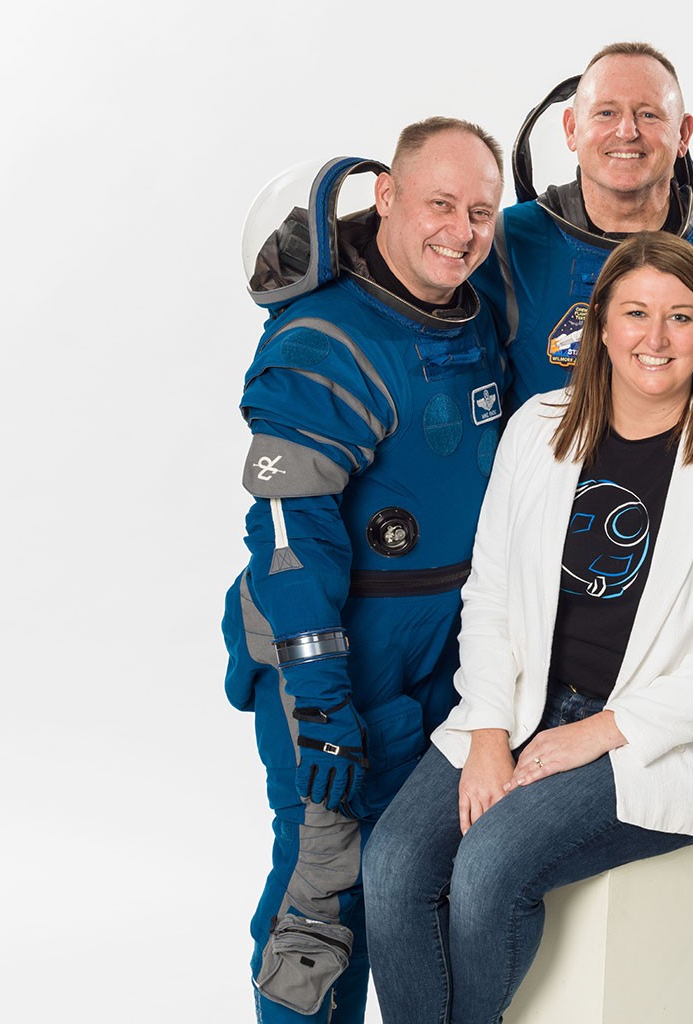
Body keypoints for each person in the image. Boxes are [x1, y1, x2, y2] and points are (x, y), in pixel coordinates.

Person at [361, 232, 693, 1024]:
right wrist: (491, 728)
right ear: (600, 325)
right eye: (635, 313)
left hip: (651, 742)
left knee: (489, 869)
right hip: (521, 705)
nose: (655, 339)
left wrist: (601, 730)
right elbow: (489, 591)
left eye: (681, 317)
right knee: (392, 865)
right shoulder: (538, 427)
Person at [220, 117, 506, 1024]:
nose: (459, 230)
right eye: (439, 204)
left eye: (481, 211)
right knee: (324, 892)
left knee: (409, 889)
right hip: (338, 657)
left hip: (436, 662)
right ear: (384, 195)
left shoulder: (473, 314)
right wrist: (321, 700)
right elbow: (288, 540)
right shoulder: (325, 343)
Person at [471, 41, 693, 413]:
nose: (627, 131)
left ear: (683, 135)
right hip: (545, 464)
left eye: (649, 115)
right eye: (605, 113)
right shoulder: (504, 244)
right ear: (571, 129)